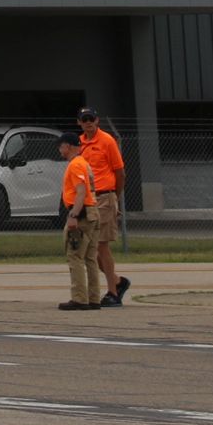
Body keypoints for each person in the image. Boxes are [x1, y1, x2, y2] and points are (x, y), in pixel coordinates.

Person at [79, 106, 130, 305]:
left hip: (104, 197)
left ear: (97, 120)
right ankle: (117, 281)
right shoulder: (80, 143)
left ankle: (113, 293)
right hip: (88, 199)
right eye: (84, 119)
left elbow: (120, 172)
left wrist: (114, 197)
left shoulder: (107, 141)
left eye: (91, 119)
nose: (88, 123)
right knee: (89, 248)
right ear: (79, 123)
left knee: (101, 245)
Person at [58, 126, 103, 310]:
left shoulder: (75, 164)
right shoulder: (84, 163)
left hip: (82, 213)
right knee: (90, 257)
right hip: (93, 211)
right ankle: (94, 298)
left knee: (75, 255)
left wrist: (73, 215)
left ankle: (79, 298)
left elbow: (81, 191)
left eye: (61, 146)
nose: (59, 150)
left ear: (68, 146)